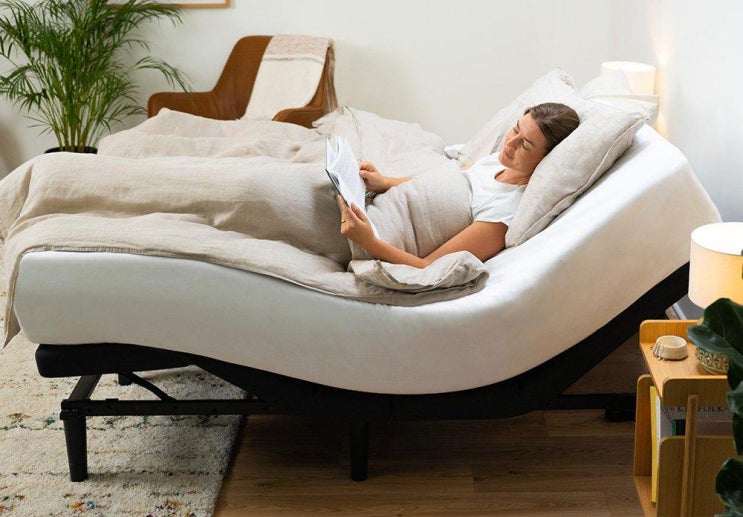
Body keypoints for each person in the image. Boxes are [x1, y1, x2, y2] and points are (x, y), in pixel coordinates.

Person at [337, 102, 580, 268]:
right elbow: (439, 182)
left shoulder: (503, 211)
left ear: (545, 159)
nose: (510, 144)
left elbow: (429, 266)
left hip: (366, 236)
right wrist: (385, 182)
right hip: (373, 206)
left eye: (525, 145)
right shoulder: (495, 162)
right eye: (515, 129)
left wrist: (369, 241)